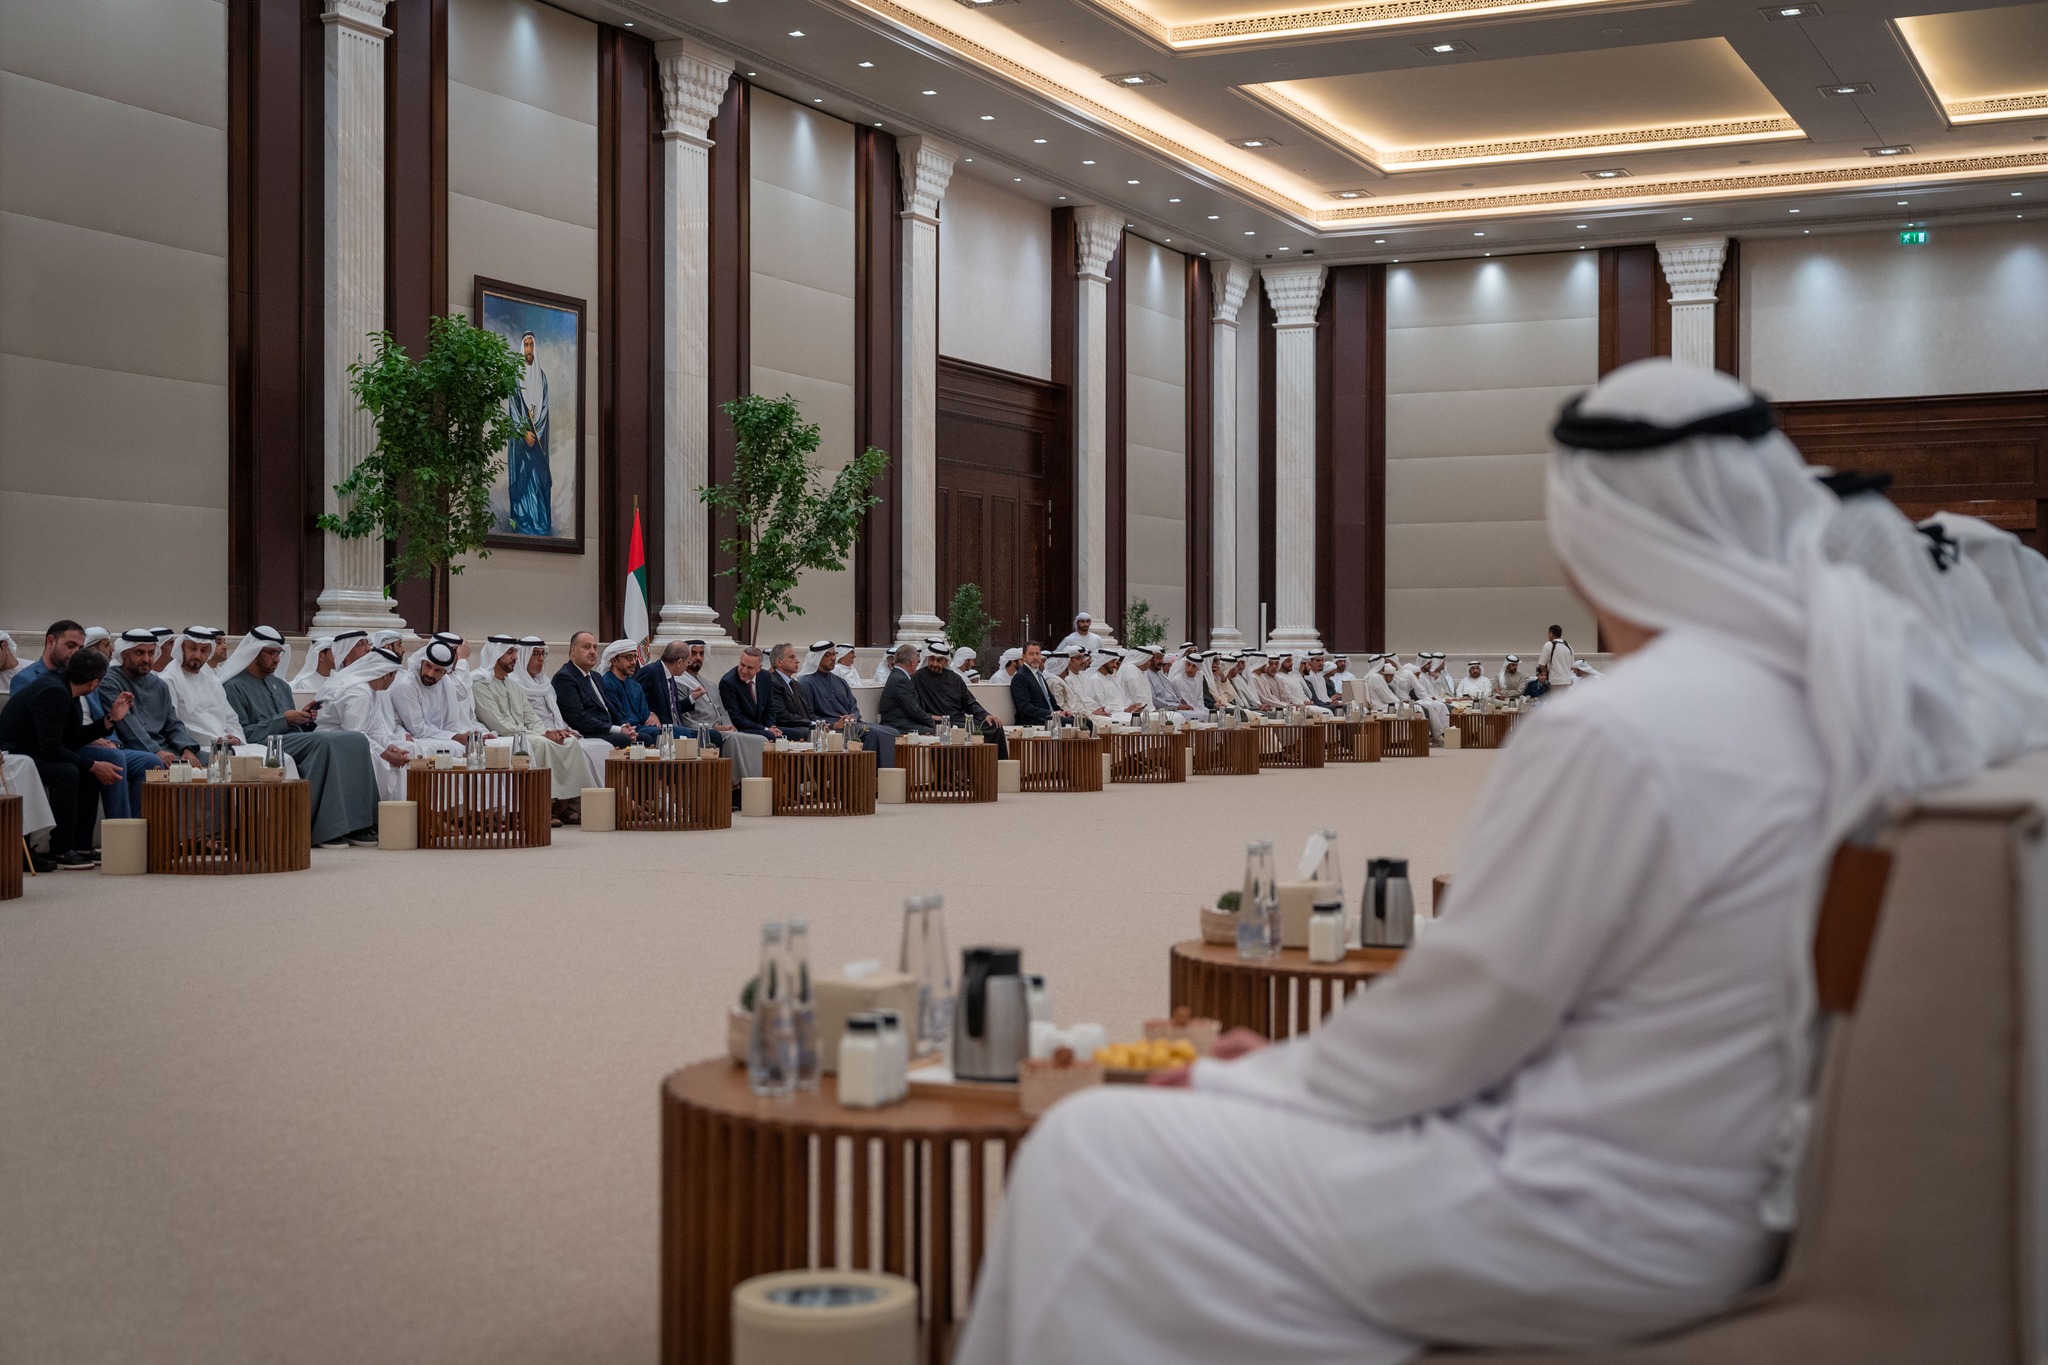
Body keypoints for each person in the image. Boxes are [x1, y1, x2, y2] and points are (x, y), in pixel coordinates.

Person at [956, 358, 1988, 1365]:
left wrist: (1256, 1079)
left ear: (1587, 543)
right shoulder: (1846, 701)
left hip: (1578, 1206)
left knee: (1089, 1149)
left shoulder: (1624, 728)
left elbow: (1465, 1016)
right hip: (1721, 1187)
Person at [219, 626, 381, 848]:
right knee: (323, 743)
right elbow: (245, 733)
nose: (277, 659)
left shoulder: (280, 685)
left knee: (356, 740)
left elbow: (293, 728)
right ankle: (327, 829)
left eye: (279, 653)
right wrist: (284, 719)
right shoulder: (234, 686)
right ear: (254, 652)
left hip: (291, 739)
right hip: (263, 743)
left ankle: (361, 823)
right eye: (271, 653)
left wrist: (304, 718)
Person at [0, 647, 134, 869]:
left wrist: (110, 719)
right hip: (14, 758)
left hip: (36, 754)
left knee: (87, 771)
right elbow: (52, 748)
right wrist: (93, 765)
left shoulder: (64, 686)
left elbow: (72, 739)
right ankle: (61, 849)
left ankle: (81, 845)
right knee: (68, 772)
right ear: (94, 683)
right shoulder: (54, 691)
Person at [469, 636, 600, 825]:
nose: (515, 657)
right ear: (496, 655)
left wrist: (549, 732)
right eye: (509, 653)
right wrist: (542, 735)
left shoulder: (513, 685)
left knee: (569, 741)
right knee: (541, 743)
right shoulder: (481, 685)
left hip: (525, 734)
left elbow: (531, 717)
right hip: (502, 736)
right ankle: (542, 806)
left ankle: (566, 804)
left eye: (515, 652)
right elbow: (498, 724)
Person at [316, 648, 416, 801]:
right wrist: (385, 755)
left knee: (396, 760)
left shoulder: (371, 691)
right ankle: (376, 809)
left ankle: (394, 810)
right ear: (386, 674)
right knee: (381, 762)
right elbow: (354, 735)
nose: (394, 679)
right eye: (394, 674)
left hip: (353, 741)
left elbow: (375, 729)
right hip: (332, 743)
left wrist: (389, 746)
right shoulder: (359, 693)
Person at [102, 630, 204, 767]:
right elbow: (128, 726)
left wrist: (187, 749)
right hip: (135, 749)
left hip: (165, 748)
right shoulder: (109, 681)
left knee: (211, 759)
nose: (146, 659)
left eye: (151, 653)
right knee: (159, 762)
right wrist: (156, 751)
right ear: (124, 653)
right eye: (139, 653)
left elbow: (173, 723)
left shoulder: (159, 685)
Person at [794, 642, 899, 767]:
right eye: (828, 655)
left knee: (892, 731)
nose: (833, 658)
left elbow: (853, 705)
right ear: (817, 657)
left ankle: (889, 774)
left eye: (834, 654)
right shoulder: (806, 683)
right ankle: (870, 773)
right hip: (830, 728)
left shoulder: (840, 681)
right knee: (872, 733)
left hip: (851, 724)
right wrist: (835, 724)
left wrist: (853, 717)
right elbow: (808, 715)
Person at [387, 639, 492, 752]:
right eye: (428, 666)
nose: (430, 674)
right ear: (422, 662)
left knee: (475, 745)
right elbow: (417, 729)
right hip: (414, 738)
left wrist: (469, 736)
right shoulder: (406, 685)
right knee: (457, 748)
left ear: (445, 672)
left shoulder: (445, 683)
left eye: (437, 670)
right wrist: (455, 737)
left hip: (437, 737)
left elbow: (450, 724)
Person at [913, 644, 1009, 756]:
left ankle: (997, 765)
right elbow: (914, 705)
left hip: (958, 719)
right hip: (939, 721)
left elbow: (970, 703)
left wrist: (986, 715)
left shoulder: (955, 679)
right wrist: (929, 716)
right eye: (932, 659)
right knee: (960, 730)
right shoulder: (917, 677)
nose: (934, 664)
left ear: (945, 661)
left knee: (994, 726)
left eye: (939, 660)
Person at [554, 632, 639, 748]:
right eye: (587, 647)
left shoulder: (596, 676)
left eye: (595, 647)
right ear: (573, 651)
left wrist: (624, 726)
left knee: (644, 737)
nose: (593, 652)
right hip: (587, 732)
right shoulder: (565, 678)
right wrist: (617, 730)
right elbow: (579, 718)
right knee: (624, 739)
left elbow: (610, 708)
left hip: (606, 729)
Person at [506, 330, 554, 537]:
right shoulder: (515, 377)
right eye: (526, 345)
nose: (529, 350)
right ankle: (521, 519)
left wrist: (537, 433)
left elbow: (544, 409)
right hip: (521, 440)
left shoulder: (542, 378)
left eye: (531, 345)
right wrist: (523, 432)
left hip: (538, 437)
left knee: (538, 479)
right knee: (522, 476)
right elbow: (513, 409)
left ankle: (540, 520)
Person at [719, 646, 785, 742]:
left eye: (749, 667)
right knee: (770, 736)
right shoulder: (728, 682)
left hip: (763, 727)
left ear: (759, 668)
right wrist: (766, 729)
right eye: (742, 665)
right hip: (742, 729)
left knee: (799, 733)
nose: (744, 670)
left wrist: (772, 726)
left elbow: (769, 708)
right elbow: (737, 719)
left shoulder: (765, 676)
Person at [878, 644, 933, 734]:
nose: (917, 664)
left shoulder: (898, 675)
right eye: (917, 662)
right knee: (936, 731)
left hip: (902, 722)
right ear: (911, 662)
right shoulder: (901, 680)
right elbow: (914, 710)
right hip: (897, 725)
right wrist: (932, 722)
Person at [1009, 642, 1063, 729]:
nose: (1035, 657)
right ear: (1024, 657)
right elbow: (1025, 707)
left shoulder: (1039, 675)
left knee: (1080, 720)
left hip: (1052, 718)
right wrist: (1051, 713)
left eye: (1037, 654)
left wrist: (1062, 712)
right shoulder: (1020, 677)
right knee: (1079, 723)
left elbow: (1051, 703)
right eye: (1031, 654)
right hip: (1036, 721)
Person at [1539, 625, 1576, 690]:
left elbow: (1541, 664)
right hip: (1567, 680)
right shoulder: (1568, 646)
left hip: (1555, 680)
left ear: (1551, 634)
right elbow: (1572, 667)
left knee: (1556, 697)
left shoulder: (1549, 645)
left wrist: (1546, 672)